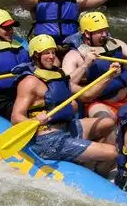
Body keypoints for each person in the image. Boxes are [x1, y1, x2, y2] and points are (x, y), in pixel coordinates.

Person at [10, 34, 119, 168]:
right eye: (46, 53)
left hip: (67, 128)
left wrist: (109, 76)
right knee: (112, 152)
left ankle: (91, 161)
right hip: (48, 139)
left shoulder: (57, 75)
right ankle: (97, 171)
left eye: (53, 52)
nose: (51, 57)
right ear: (36, 56)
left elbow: (86, 95)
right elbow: (16, 117)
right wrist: (34, 121)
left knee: (108, 123)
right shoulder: (30, 82)